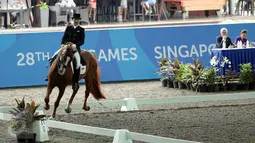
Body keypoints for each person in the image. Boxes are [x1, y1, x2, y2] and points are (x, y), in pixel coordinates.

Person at [45, 13, 85, 90]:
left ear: (79, 20)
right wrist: (63, 44)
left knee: (77, 64)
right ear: (72, 20)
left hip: (74, 49)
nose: (76, 21)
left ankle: (75, 82)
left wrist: (75, 45)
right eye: (74, 19)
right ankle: (49, 75)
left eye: (77, 19)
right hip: (66, 47)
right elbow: (64, 37)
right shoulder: (69, 27)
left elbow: (82, 41)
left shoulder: (81, 30)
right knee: (54, 56)